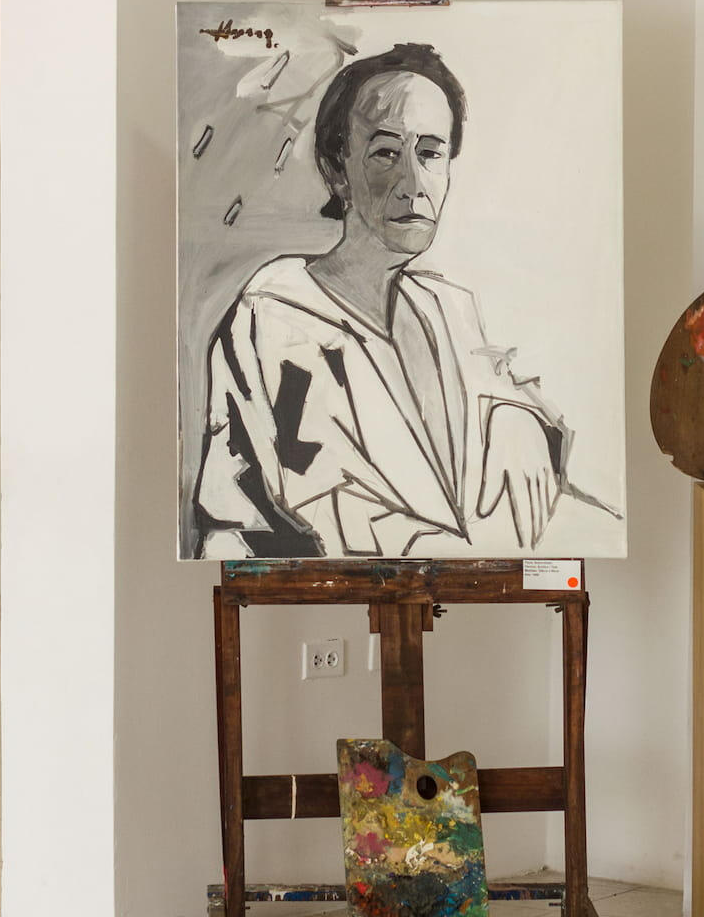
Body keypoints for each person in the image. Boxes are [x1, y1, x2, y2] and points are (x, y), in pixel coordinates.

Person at [194, 42, 575, 558]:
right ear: (336, 170)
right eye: (386, 153)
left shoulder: (448, 308)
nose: (413, 184)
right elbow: (276, 511)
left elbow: (511, 392)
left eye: (430, 153)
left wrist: (518, 417)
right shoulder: (274, 314)